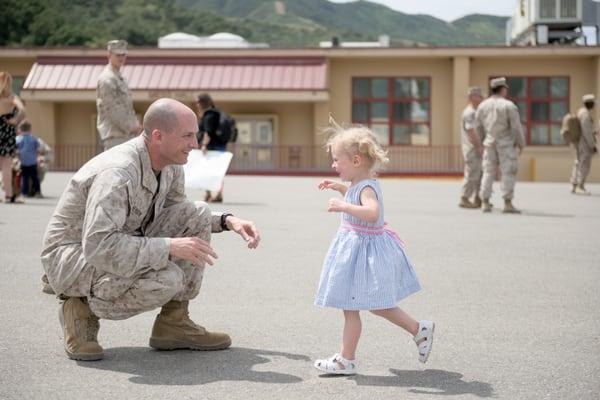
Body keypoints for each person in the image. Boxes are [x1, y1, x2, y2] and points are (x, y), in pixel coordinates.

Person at [41, 98, 260, 361]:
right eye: (187, 136)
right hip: (73, 258)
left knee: (199, 213)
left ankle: (174, 323)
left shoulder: (171, 163)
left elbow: (179, 212)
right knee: (167, 278)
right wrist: (167, 247)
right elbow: (99, 245)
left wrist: (227, 220)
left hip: (119, 240)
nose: (194, 143)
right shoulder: (118, 173)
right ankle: (79, 307)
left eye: (195, 135)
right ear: (158, 136)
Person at [313, 121, 434, 375]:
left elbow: (372, 212)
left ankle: (417, 329)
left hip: (364, 253)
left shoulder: (367, 188)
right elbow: (356, 196)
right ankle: (347, 358)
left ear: (356, 161)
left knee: (377, 304)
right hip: (357, 252)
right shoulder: (359, 185)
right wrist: (341, 189)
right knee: (353, 305)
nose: (334, 165)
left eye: (337, 160)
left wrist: (343, 205)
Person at [476, 77, 525, 214]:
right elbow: (516, 127)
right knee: (508, 172)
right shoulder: (509, 105)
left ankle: (485, 202)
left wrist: (482, 141)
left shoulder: (482, 106)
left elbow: (478, 126)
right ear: (503, 89)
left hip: (489, 143)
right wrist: (520, 143)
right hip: (506, 144)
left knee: (488, 172)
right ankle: (507, 203)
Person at [96, 39, 141, 151]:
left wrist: (135, 124)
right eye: (118, 55)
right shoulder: (107, 79)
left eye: (123, 54)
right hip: (114, 134)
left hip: (126, 134)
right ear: (109, 55)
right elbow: (112, 108)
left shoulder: (120, 78)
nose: (121, 58)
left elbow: (128, 107)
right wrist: (131, 126)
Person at [196, 93, 229, 203]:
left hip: (211, 147)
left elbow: (208, 132)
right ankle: (217, 193)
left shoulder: (209, 115)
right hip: (221, 146)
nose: (197, 104)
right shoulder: (217, 113)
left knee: (207, 170)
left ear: (203, 103)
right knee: (218, 171)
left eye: (198, 102)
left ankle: (210, 193)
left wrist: (204, 145)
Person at [0, 71, 26, 203]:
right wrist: (15, 120)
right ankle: (8, 195)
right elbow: (22, 110)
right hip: (7, 129)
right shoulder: (11, 97)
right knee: (6, 165)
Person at [459, 87, 485, 209]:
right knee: (472, 173)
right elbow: (471, 131)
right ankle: (464, 198)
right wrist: (479, 146)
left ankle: (478, 198)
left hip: (477, 148)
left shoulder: (477, 111)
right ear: (472, 97)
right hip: (472, 148)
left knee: (480, 173)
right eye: (479, 96)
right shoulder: (469, 113)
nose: (481, 98)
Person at [570, 94, 597, 195]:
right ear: (589, 103)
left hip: (580, 142)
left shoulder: (581, 112)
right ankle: (579, 185)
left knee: (578, 163)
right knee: (584, 164)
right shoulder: (585, 114)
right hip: (584, 144)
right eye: (593, 103)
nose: (594, 105)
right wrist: (592, 145)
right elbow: (586, 132)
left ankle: (574, 184)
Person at [16, 120, 41, 198]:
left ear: (20, 129)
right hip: (33, 161)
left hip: (23, 161)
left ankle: (25, 192)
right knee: (35, 177)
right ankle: (37, 192)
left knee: (25, 177)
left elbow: (16, 149)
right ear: (30, 129)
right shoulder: (33, 138)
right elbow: (38, 148)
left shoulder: (19, 139)